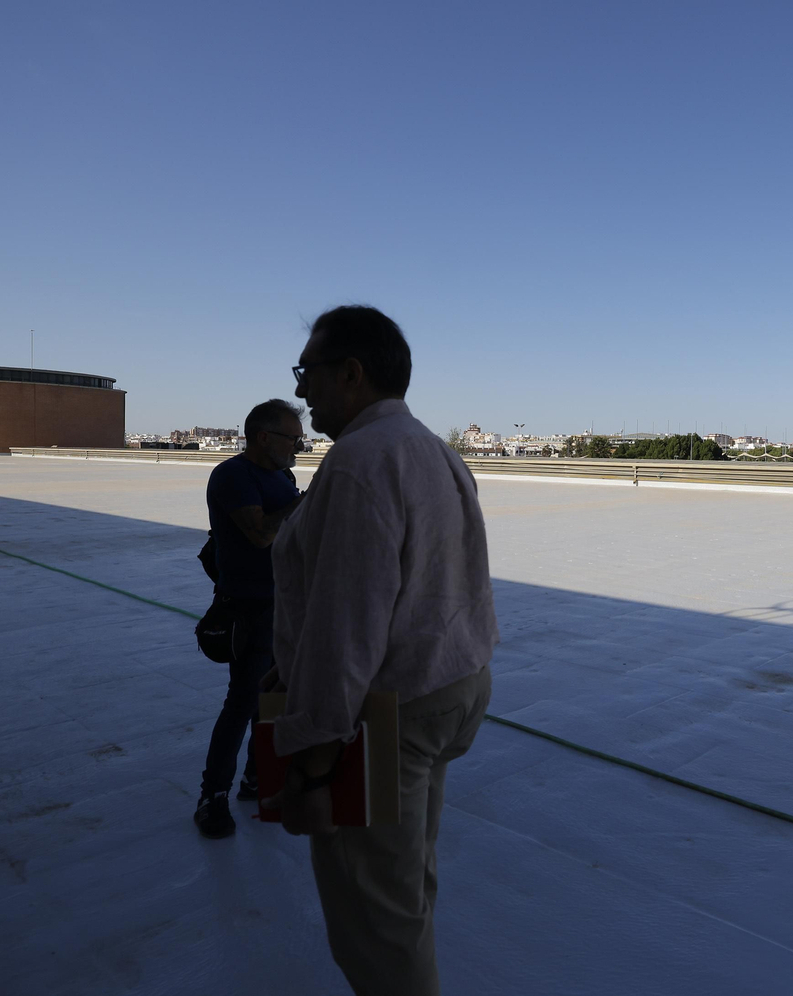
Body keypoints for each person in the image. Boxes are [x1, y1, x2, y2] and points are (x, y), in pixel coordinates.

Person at [263, 305, 497, 996]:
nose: (302, 392)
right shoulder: (434, 449)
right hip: (450, 687)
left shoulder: (362, 462)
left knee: (377, 921)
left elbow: (347, 627)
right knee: (406, 882)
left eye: (308, 374)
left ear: (351, 373)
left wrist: (311, 768)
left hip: (386, 713)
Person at [193, 399, 305, 839]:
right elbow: (259, 534)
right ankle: (212, 797)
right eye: (292, 437)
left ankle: (259, 781)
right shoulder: (232, 476)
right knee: (242, 702)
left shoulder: (283, 475)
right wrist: (305, 504)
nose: (299, 445)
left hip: (284, 605)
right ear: (264, 437)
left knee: (273, 699)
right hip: (249, 606)